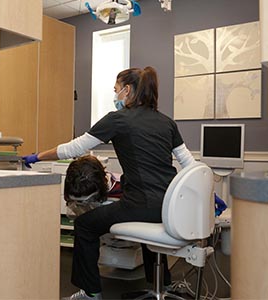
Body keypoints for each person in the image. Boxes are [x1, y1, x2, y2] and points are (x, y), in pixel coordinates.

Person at [23, 66, 195, 300]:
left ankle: (91, 293)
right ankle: (162, 285)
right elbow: (189, 163)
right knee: (149, 225)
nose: (115, 95)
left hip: (140, 205)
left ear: (127, 90)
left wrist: (38, 156)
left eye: (116, 90)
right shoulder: (166, 122)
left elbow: (76, 148)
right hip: (169, 206)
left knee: (85, 224)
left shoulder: (118, 119)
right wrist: (206, 193)